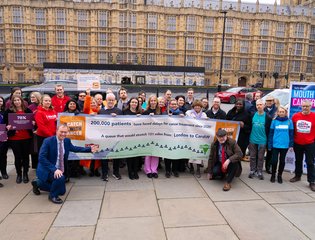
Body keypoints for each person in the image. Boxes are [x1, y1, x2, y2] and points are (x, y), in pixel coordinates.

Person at [31, 124, 98, 204]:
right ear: (56, 131)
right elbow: (42, 158)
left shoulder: (66, 141)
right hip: (48, 169)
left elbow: (75, 148)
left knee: (62, 192)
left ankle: (38, 183)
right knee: (60, 178)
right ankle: (52, 196)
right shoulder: (48, 141)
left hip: (59, 169)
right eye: (61, 132)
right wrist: (54, 169)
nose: (63, 134)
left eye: (65, 132)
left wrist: (89, 149)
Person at [3, 95, 33, 184]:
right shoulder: (8, 112)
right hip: (14, 138)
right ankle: (19, 174)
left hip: (26, 137)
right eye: (15, 100)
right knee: (17, 157)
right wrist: (7, 127)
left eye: (18, 100)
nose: (17, 102)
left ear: (21, 101)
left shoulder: (27, 110)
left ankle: (25, 174)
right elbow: (4, 125)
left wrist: (33, 123)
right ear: (12, 102)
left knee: (26, 156)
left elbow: (33, 123)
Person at [290, 100, 315, 192]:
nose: (305, 108)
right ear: (301, 106)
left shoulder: (314, 116)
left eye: (307, 106)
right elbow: (292, 130)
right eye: (303, 106)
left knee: (310, 162)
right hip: (298, 143)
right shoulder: (295, 116)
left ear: (310, 107)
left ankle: (312, 181)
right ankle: (297, 176)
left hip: (310, 143)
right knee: (298, 160)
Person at [99, 93, 123, 180]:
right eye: (109, 100)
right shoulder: (101, 111)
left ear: (115, 101)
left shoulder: (119, 111)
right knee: (104, 155)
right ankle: (104, 173)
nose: (111, 102)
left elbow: (124, 123)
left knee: (116, 155)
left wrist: (117, 118)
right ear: (106, 101)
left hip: (115, 137)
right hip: (104, 137)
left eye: (112, 100)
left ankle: (116, 172)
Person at [268, 106, 294, 183]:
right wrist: (270, 144)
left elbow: (291, 134)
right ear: (278, 113)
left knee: (282, 161)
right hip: (275, 144)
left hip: (285, 145)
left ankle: (279, 175)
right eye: (280, 112)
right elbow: (271, 134)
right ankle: (273, 175)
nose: (281, 113)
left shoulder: (289, 122)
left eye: (283, 112)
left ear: (285, 113)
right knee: (274, 161)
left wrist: (291, 145)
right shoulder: (274, 121)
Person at [248, 99, 272, 180]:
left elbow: (269, 130)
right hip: (252, 139)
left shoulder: (268, 117)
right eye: (257, 105)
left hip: (262, 139)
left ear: (264, 105)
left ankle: (259, 171)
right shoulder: (252, 115)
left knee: (261, 157)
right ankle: (252, 170)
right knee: (252, 156)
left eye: (260, 104)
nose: (259, 106)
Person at [80, 89, 101, 177]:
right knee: (90, 152)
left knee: (97, 153)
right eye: (91, 102)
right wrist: (88, 95)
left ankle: (96, 169)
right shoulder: (87, 111)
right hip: (89, 135)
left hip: (98, 135)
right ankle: (91, 169)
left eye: (94, 102)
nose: (92, 104)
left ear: (97, 103)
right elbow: (86, 107)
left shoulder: (100, 111)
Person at [186, 100, 207, 178]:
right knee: (191, 151)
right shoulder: (189, 113)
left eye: (199, 106)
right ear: (193, 107)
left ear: (201, 107)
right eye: (195, 106)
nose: (197, 107)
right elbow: (186, 118)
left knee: (199, 152)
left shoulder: (204, 114)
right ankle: (191, 166)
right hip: (191, 135)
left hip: (200, 136)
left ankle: (198, 169)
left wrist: (207, 120)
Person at [163, 99, 184, 178]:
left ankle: (174, 170)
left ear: (177, 105)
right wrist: (166, 116)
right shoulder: (165, 112)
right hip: (167, 136)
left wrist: (183, 117)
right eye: (172, 104)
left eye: (175, 104)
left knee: (175, 154)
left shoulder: (181, 113)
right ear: (169, 105)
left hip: (177, 136)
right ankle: (167, 170)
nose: (173, 105)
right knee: (167, 154)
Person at [34, 95, 58, 165]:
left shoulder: (53, 111)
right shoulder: (39, 112)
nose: (48, 102)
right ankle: (42, 171)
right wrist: (51, 136)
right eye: (46, 100)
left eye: (49, 101)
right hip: (43, 137)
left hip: (53, 136)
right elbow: (41, 127)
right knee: (43, 155)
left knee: (52, 154)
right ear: (42, 102)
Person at [123, 97, 142, 180]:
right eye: (132, 102)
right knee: (129, 155)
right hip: (128, 136)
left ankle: (135, 171)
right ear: (129, 103)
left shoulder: (140, 112)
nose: (134, 104)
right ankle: (130, 171)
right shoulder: (124, 111)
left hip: (137, 136)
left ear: (138, 104)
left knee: (136, 155)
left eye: (136, 102)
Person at [143, 95, 161, 178]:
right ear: (149, 102)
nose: (153, 102)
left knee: (155, 153)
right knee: (148, 154)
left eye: (154, 101)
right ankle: (148, 170)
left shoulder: (159, 111)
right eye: (151, 101)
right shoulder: (146, 111)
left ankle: (154, 170)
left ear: (156, 102)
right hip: (147, 135)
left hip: (157, 134)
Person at [264, 95, 278, 173]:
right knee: (261, 150)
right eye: (267, 101)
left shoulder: (277, 110)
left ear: (273, 101)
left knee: (270, 151)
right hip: (263, 132)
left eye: (270, 101)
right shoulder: (263, 109)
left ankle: (268, 167)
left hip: (272, 133)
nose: (269, 102)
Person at [28, 91, 42, 169]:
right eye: (31, 97)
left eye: (33, 97)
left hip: (40, 127)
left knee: (40, 147)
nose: (32, 98)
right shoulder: (30, 107)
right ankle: (35, 165)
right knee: (34, 148)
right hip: (33, 129)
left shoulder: (41, 106)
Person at [0, 96, 9, 179]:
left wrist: (8, 127)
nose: (0, 103)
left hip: (3, 136)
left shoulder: (4, 112)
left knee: (3, 155)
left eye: (1, 101)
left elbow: (7, 123)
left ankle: (4, 172)